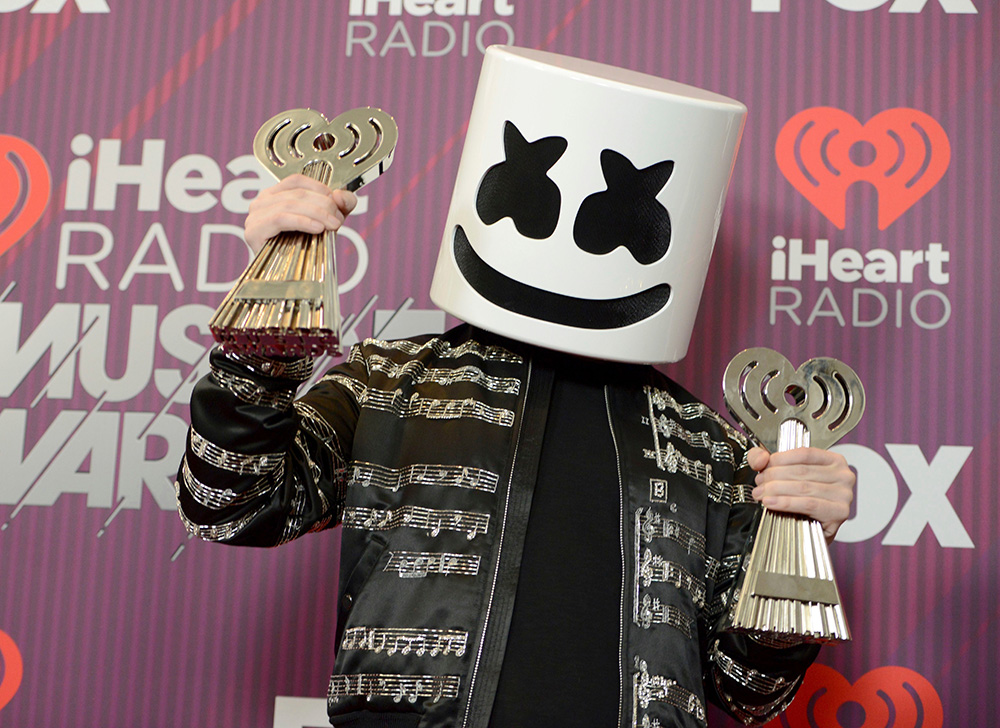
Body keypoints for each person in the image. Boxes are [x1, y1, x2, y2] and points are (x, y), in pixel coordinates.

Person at [177, 47, 855, 728]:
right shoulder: (392, 382)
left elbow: (750, 692)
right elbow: (232, 503)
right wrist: (271, 307)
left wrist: (796, 545)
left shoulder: (708, 447)